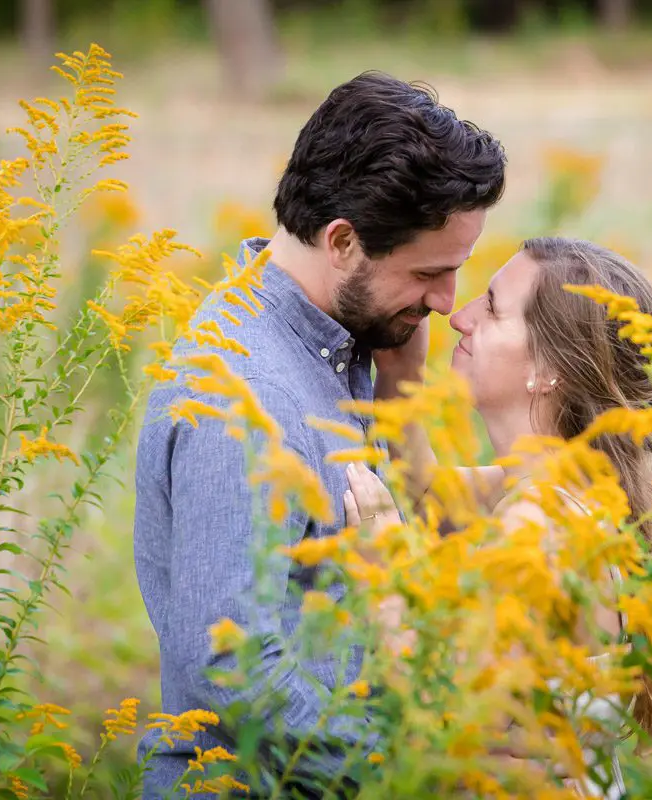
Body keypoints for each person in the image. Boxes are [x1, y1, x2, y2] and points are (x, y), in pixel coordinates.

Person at [132, 70, 506, 798]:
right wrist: (415, 777)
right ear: (341, 240)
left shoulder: (345, 340)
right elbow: (232, 668)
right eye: (429, 272)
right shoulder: (241, 399)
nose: (446, 303)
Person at [347, 237, 652, 797]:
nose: (460, 316)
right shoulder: (566, 484)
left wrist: (384, 567)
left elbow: (442, 706)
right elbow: (431, 499)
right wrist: (402, 377)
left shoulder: (541, 525)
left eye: (493, 307)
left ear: (548, 370)